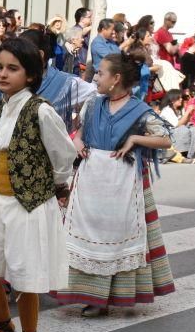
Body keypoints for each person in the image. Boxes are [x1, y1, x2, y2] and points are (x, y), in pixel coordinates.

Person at [0, 37, 73, 332]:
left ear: (30, 75)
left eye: (12, 68)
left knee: (26, 277)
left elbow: (63, 154)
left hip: (29, 202)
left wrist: (56, 186)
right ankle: (4, 329)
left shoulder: (41, 109)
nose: (2, 74)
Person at [56, 53, 175, 317]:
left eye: (100, 73)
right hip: (91, 179)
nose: (95, 77)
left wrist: (135, 138)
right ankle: (92, 296)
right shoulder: (92, 104)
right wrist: (79, 145)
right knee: (90, 235)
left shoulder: (140, 110)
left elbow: (166, 139)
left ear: (116, 78)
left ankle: (110, 296)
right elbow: (79, 136)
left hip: (124, 180)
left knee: (118, 237)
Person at [159, 89, 195, 161]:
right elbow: (177, 124)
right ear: (172, 100)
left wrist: (190, 114)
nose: (181, 99)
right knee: (183, 129)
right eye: (179, 98)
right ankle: (177, 153)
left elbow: (184, 122)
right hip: (169, 135)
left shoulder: (179, 109)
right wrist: (187, 112)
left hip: (178, 131)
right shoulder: (167, 110)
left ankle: (189, 155)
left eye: (181, 97)